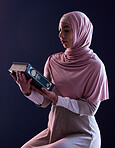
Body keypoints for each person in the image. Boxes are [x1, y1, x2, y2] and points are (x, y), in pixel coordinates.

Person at [11, 11, 109, 148]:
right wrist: (27, 91)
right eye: (59, 30)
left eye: (66, 30)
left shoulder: (95, 66)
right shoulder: (53, 61)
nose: (61, 35)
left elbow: (90, 109)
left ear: (81, 31)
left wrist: (58, 99)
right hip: (55, 131)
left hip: (83, 134)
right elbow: (45, 101)